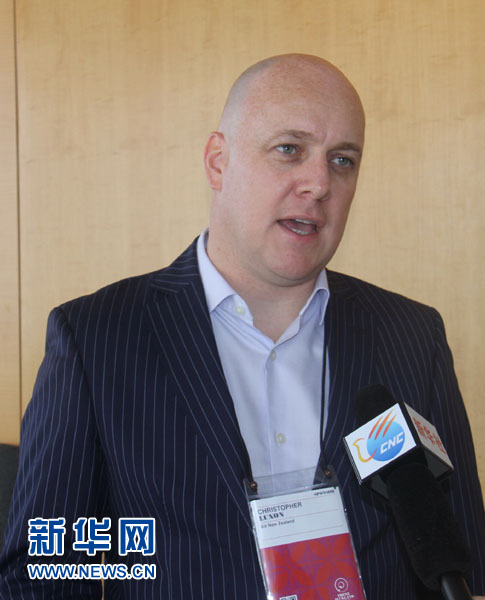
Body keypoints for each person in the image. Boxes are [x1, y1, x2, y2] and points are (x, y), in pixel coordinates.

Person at [0, 53, 484, 599]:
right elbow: (46, 574)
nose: (319, 183)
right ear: (217, 162)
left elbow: (465, 562)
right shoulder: (97, 338)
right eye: (289, 149)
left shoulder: (412, 335)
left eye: (342, 160)